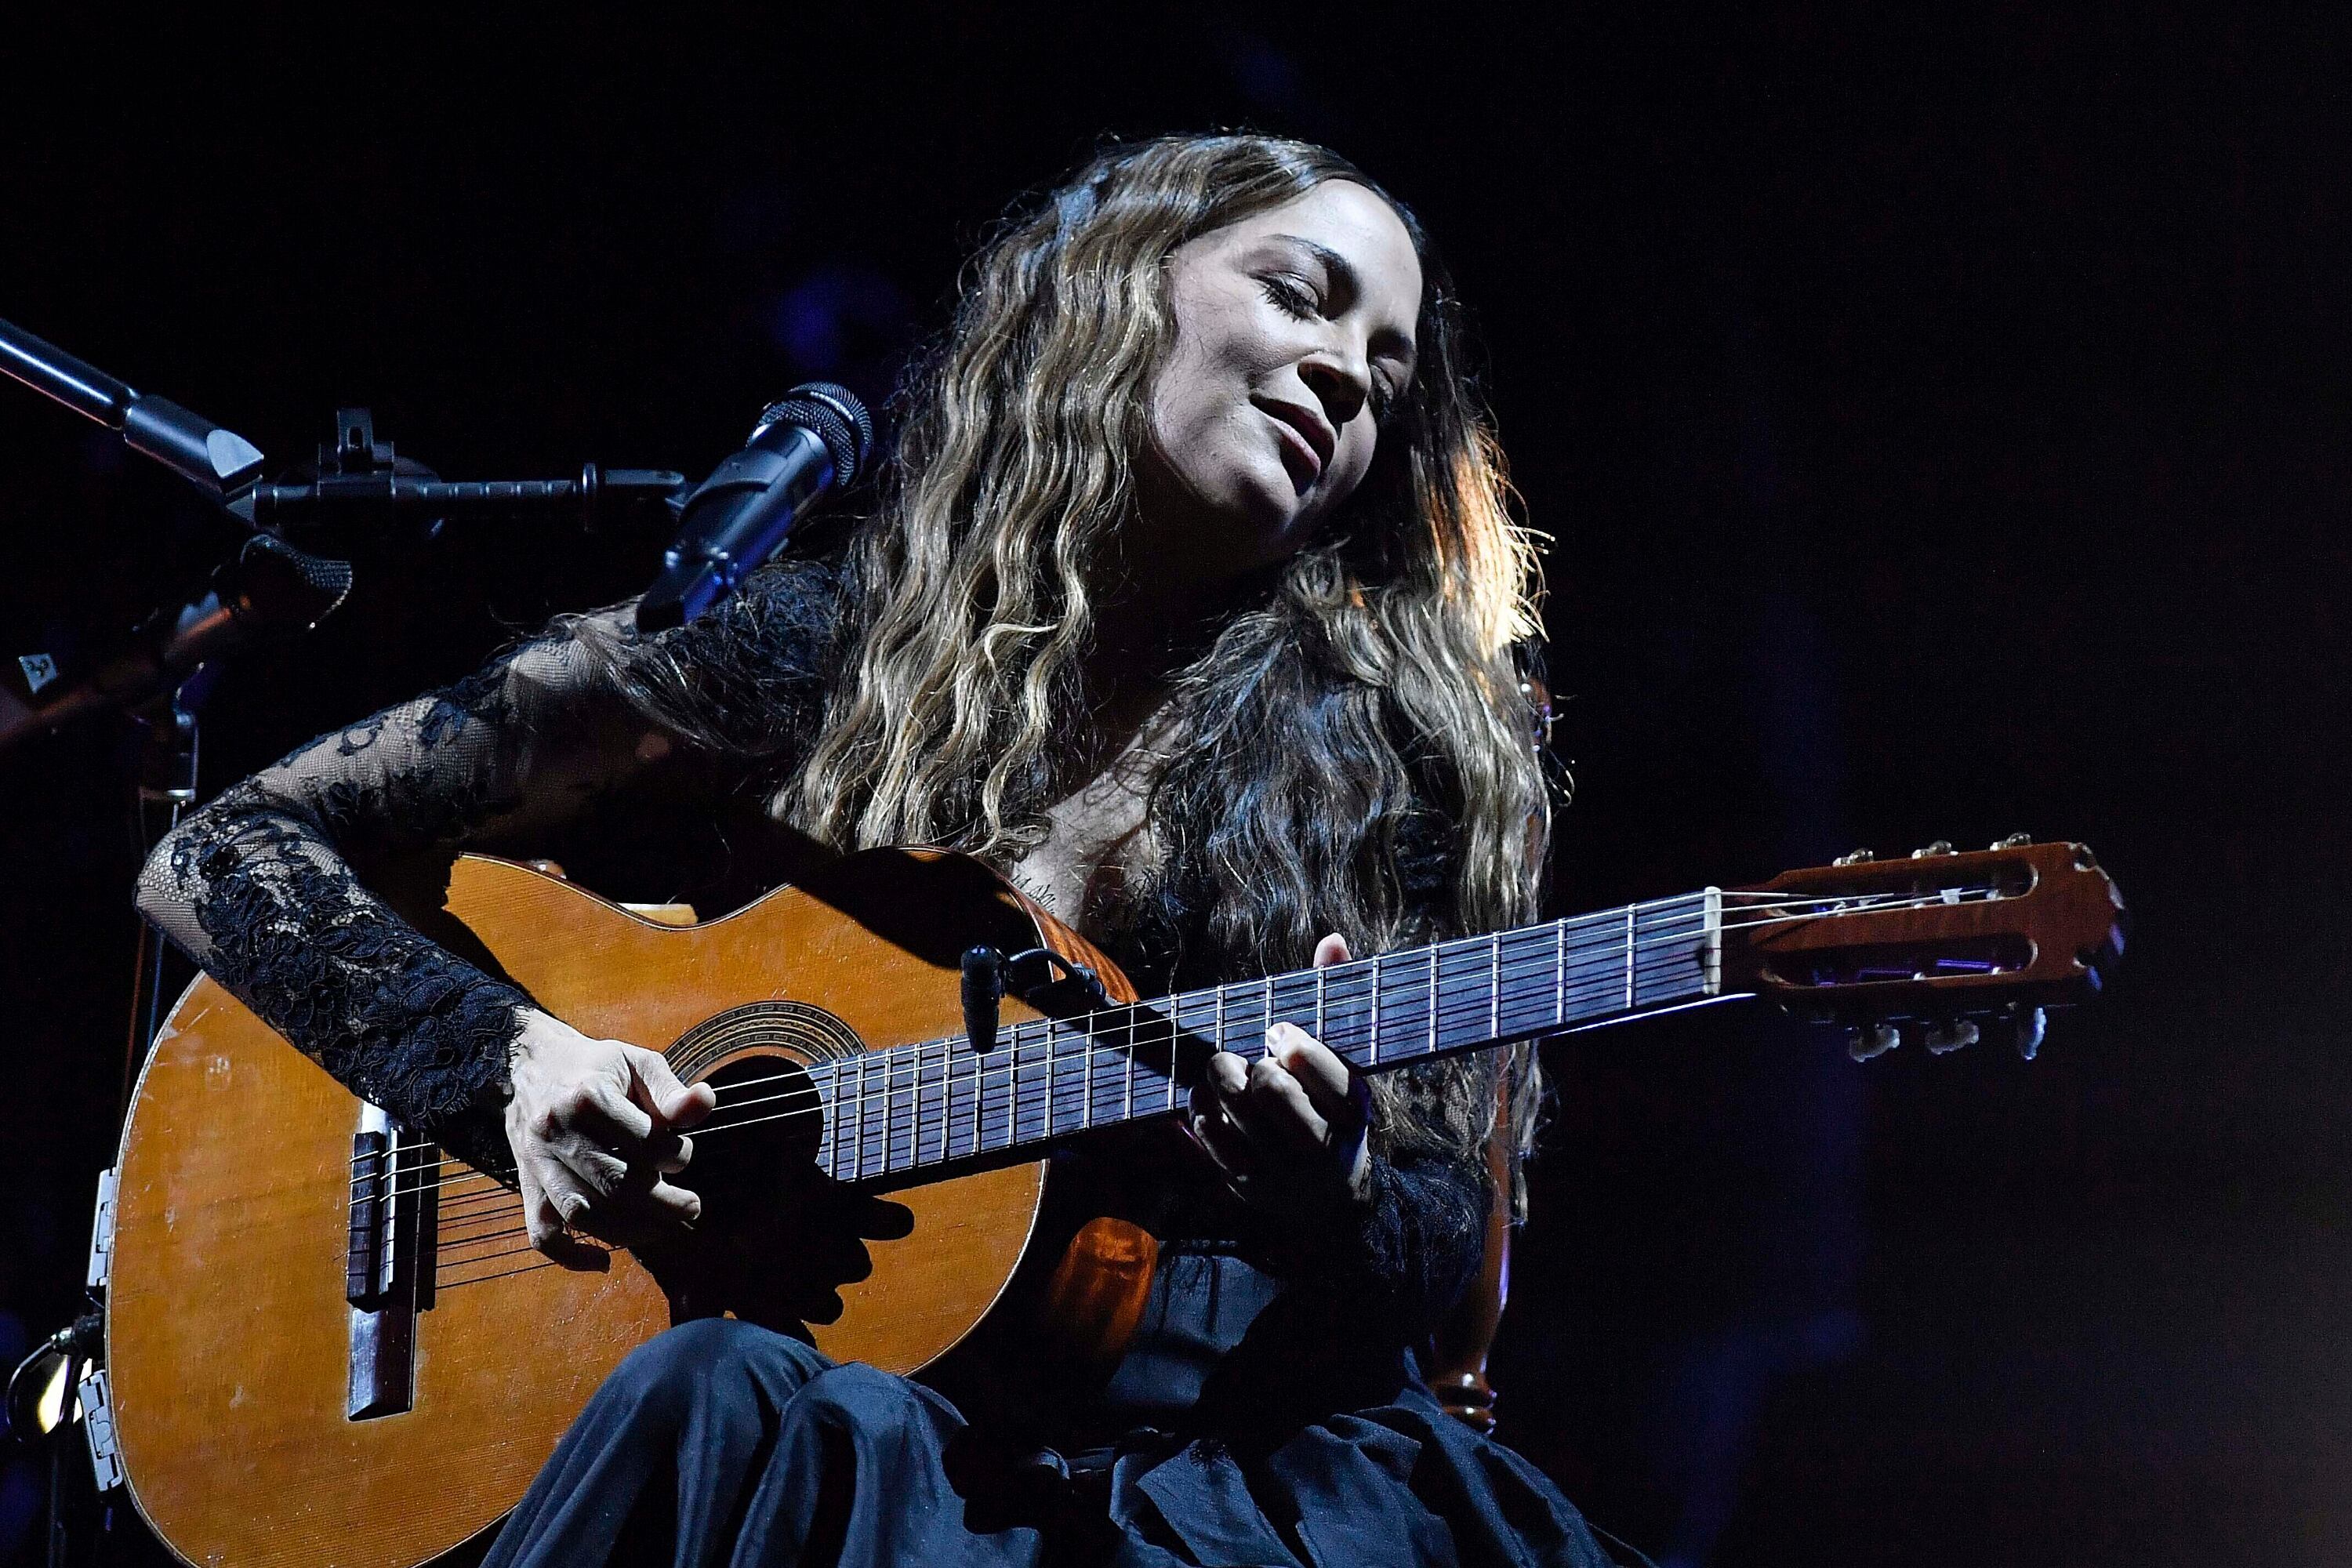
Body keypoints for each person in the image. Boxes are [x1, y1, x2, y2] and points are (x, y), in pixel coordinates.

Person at [136, 134, 1630, 1568]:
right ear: (1123, 293)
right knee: (709, 1394)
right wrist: (506, 1066)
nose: (1341, 381)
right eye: (1303, 297)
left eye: (1384, 379)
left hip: (1179, 1474)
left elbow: (1435, 1246)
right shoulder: (827, 644)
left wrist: (1340, 1183)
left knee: (726, 1402)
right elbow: (226, 848)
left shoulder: (1390, 759)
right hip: (789, 1421)